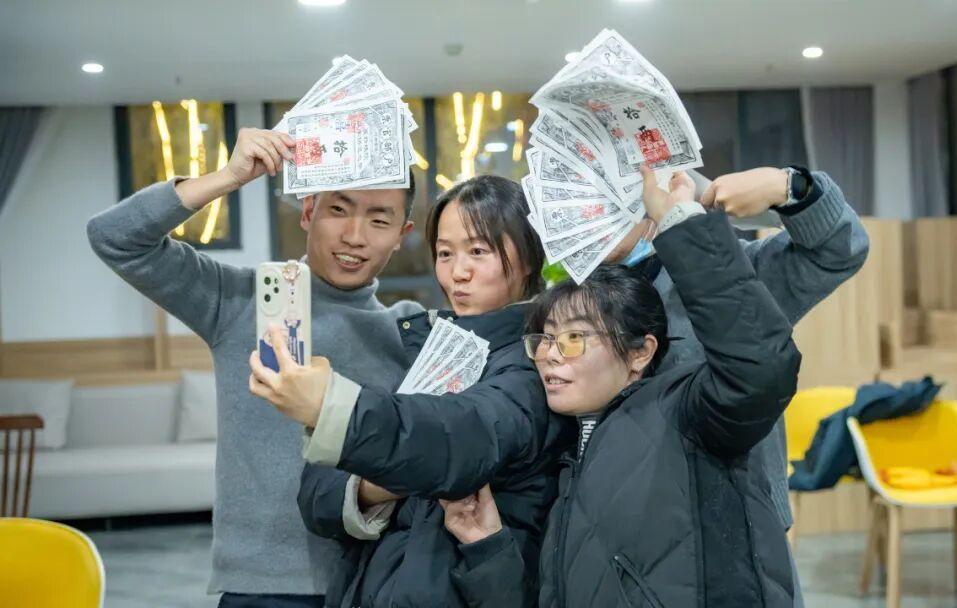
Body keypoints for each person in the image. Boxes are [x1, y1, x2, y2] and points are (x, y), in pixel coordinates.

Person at [87, 128, 421, 607]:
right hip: (262, 586)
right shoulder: (237, 300)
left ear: (401, 236)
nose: (354, 235)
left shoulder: (408, 330)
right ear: (308, 211)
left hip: (376, 582)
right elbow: (114, 238)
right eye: (338, 209)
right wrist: (227, 177)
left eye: (379, 219)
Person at [442, 166, 803, 606]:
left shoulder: (686, 422)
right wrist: (487, 546)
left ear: (640, 353)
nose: (550, 354)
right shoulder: (566, 457)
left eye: (574, 338)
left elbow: (760, 368)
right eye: (544, 339)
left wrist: (683, 226)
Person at [249, 175, 574, 607]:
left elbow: (462, 437)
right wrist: (385, 483)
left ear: (529, 256)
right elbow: (316, 496)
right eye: (445, 253)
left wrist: (334, 409)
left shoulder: (536, 363)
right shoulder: (430, 349)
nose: (457, 272)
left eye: (478, 251)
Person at [602, 164, 868, 604]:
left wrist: (788, 187)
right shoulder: (570, 301)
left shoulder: (731, 271)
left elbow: (840, 249)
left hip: (740, 529)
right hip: (618, 538)